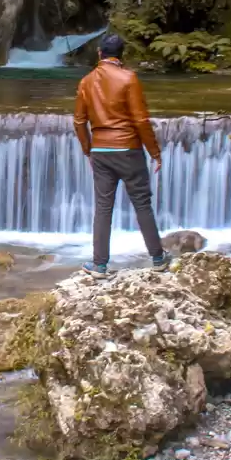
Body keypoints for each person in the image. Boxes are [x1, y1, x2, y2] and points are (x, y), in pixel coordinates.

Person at [73, 33, 168, 278]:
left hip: (101, 152)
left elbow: (79, 120)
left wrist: (88, 149)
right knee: (142, 204)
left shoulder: (86, 82)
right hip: (128, 150)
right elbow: (140, 120)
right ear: (121, 55)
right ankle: (158, 258)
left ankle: (99, 265)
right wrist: (154, 153)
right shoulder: (129, 78)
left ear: (99, 53)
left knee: (103, 208)